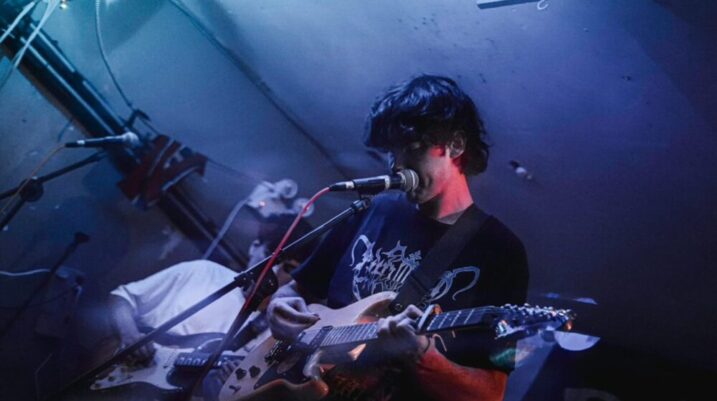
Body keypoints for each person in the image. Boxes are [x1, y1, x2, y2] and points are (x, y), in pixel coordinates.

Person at [267, 75, 529, 401]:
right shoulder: (372, 209)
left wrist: (422, 356)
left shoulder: (501, 252)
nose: (397, 166)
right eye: (391, 152)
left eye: (413, 148)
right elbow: (296, 289)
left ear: (456, 145)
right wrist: (278, 306)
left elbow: (490, 394)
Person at [107, 212, 315, 366]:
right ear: (254, 247)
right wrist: (129, 335)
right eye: (271, 256)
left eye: (288, 268)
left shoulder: (274, 332)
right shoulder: (202, 271)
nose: (274, 270)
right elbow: (121, 298)